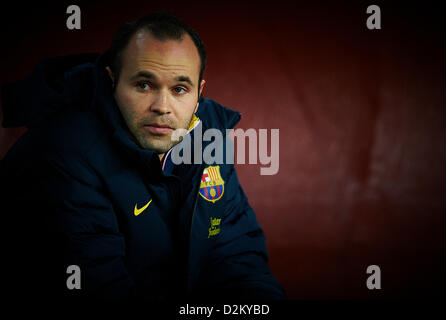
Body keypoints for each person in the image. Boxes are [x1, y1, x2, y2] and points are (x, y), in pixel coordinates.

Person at [0, 12, 285, 302]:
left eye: (179, 89)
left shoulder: (209, 142)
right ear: (114, 80)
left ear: (199, 93)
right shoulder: (64, 154)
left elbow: (238, 261)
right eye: (144, 85)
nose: (163, 106)